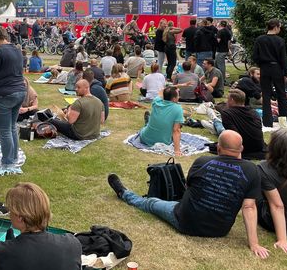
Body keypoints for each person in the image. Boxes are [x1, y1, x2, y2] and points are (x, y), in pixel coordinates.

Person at [108, 131, 271, 258]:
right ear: (241, 149)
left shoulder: (202, 161)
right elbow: (249, 207)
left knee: (151, 203)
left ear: (219, 148)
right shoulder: (251, 170)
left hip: (184, 220)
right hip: (220, 229)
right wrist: (254, 244)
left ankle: (124, 193)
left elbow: (188, 186)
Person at [0, 26, 26, 167]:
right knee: (12, 127)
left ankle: (8, 161)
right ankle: (13, 157)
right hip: (19, 91)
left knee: (4, 131)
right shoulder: (17, 50)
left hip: (2, 95)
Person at [206, 89, 267, 160]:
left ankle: (215, 122)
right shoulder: (254, 112)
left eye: (227, 99)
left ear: (231, 100)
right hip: (258, 146)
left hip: (242, 147)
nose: (226, 102)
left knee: (223, 133)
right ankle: (215, 123)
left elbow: (233, 135)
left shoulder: (227, 114)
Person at [252, 18, 287, 127]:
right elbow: (283, 58)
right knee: (281, 94)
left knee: (266, 94)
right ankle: (286, 120)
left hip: (264, 68)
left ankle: (267, 121)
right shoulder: (280, 41)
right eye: (279, 27)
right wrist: (286, 72)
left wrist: (262, 63)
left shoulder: (260, 39)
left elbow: (255, 56)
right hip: (276, 67)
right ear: (275, 27)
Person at [138, 86, 184, 155]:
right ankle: (148, 120)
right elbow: (176, 131)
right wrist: (177, 151)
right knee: (178, 126)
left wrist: (172, 88)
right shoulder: (178, 108)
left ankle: (148, 120)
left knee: (148, 125)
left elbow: (161, 91)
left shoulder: (156, 101)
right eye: (178, 95)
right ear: (174, 99)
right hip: (164, 142)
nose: (179, 97)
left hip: (145, 139)